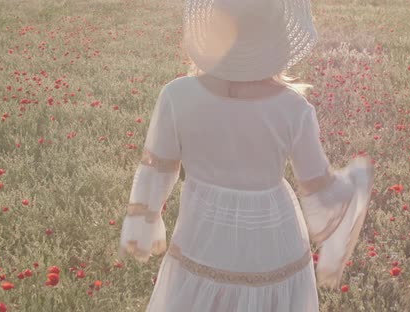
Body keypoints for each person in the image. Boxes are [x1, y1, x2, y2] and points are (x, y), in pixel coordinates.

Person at [117, 0, 376, 311]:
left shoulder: (177, 96)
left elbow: (156, 170)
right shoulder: (293, 108)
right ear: (276, 40)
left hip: (203, 233)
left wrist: (143, 225)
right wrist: (354, 183)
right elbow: (317, 186)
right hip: (275, 238)